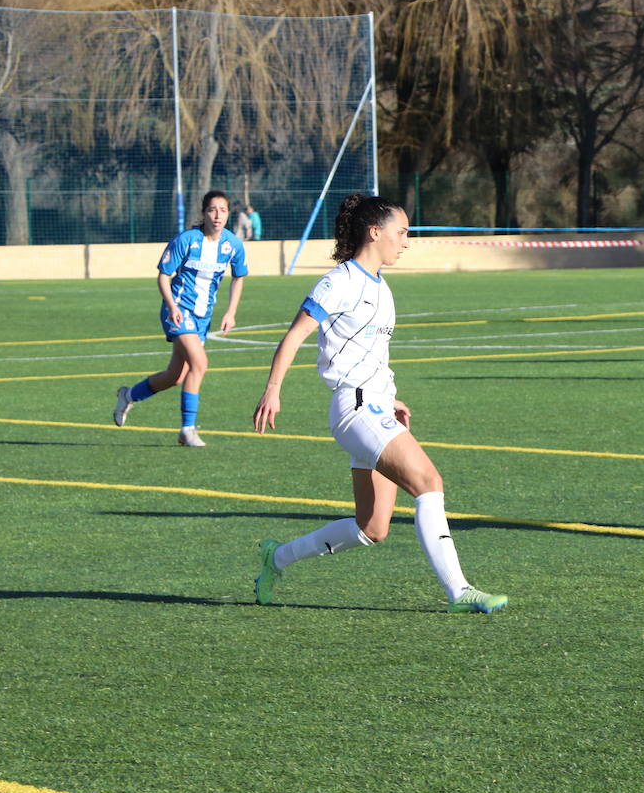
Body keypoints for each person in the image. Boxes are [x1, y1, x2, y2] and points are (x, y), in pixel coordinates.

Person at [249, 193, 508, 614]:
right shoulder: (339, 281)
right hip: (354, 411)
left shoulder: (381, 287)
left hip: (374, 407)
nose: (407, 241)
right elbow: (294, 335)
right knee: (429, 481)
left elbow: (368, 357)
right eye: (402, 232)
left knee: (372, 527)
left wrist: (390, 398)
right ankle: (460, 590)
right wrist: (273, 388)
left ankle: (276, 558)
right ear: (375, 232)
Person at [112, 190, 247, 447]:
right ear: (203, 213)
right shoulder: (186, 241)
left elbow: (239, 276)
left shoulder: (233, 245)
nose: (217, 216)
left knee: (176, 375)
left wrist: (231, 312)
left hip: (202, 318)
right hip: (178, 311)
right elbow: (163, 276)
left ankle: (128, 395)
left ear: (229, 214)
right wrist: (172, 306)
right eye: (212, 210)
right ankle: (187, 430)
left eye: (223, 210)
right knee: (200, 364)